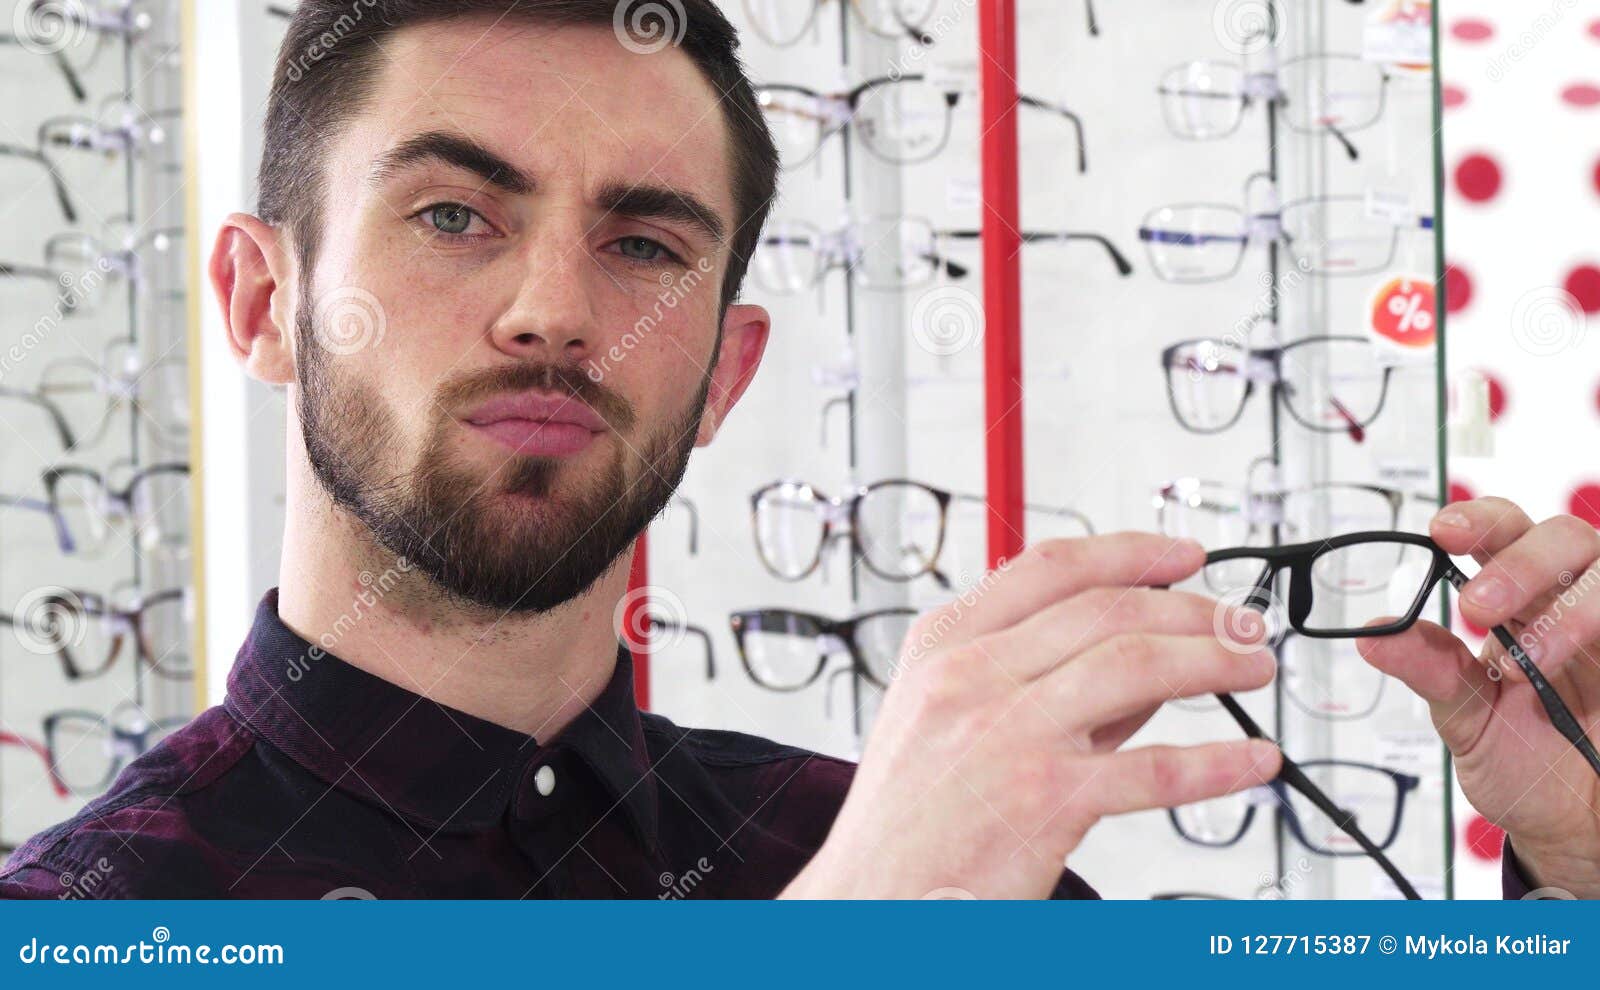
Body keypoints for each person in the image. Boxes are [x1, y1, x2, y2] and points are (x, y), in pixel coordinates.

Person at [3, 0, 1595, 900]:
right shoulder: (97, 918)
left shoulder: (884, 840)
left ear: (722, 372)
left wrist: (1576, 870)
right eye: (453, 216)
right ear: (261, 298)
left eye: (643, 245)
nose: (554, 310)